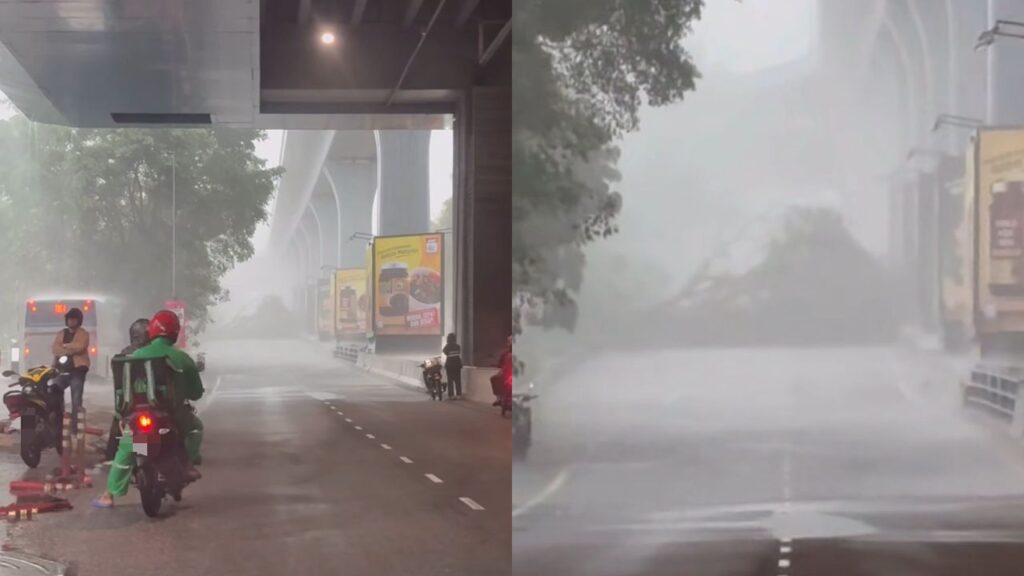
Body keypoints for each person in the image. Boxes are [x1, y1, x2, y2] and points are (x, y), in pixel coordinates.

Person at [92, 310, 204, 509]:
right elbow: (196, 393)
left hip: (138, 415)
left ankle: (109, 495)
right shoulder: (182, 358)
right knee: (196, 427)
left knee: (127, 445)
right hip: (172, 416)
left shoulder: (136, 355)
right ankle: (187, 465)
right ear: (175, 333)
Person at [104, 318, 150, 461]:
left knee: (118, 424)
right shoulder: (156, 353)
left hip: (127, 403)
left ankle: (111, 456)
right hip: (152, 403)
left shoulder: (122, 356)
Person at [51, 307, 90, 435]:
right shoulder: (61, 333)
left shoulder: (84, 333)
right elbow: (55, 348)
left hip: (77, 370)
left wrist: (65, 347)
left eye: (74, 319)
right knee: (54, 390)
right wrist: (67, 349)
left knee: (76, 397)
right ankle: (57, 421)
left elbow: (80, 346)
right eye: (69, 319)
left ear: (79, 321)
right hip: (61, 370)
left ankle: (75, 426)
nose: (71, 322)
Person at [492, 336, 513, 406]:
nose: (510, 343)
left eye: (511, 341)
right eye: (509, 341)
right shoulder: (504, 354)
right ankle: (499, 398)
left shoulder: (506, 353)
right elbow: (500, 364)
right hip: (507, 374)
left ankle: (499, 398)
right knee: (494, 378)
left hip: (513, 374)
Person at [443, 333, 463, 399]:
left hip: (450, 365)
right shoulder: (458, 346)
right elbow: (458, 353)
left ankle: (451, 395)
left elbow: (445, 352)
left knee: (450, 380)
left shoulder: (447, 347)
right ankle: (459, 394)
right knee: (458, 380)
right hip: (457, 364)